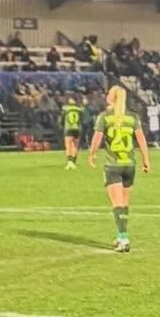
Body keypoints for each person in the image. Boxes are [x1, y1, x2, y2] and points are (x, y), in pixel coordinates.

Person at [89, 85, 150, 252]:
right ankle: (120, 235)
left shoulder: (105, 117)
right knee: (125, 203)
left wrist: (92, 154)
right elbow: (142, 140)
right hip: (130, 165)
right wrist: (146, 160)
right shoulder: (133, 117)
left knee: (117, 204)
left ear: (111, 98)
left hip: (113, 165)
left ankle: (123, 238)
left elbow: (96, 139)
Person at [62, 96, 84, 169]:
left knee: (68, 145)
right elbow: (82, 119)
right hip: (77, 128)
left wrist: (62, 125)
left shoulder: (65, 108)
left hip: (69, 128)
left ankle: (69, 162)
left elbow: (62, 118)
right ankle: (74, 162)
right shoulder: (80, 109)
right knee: (75, 146)